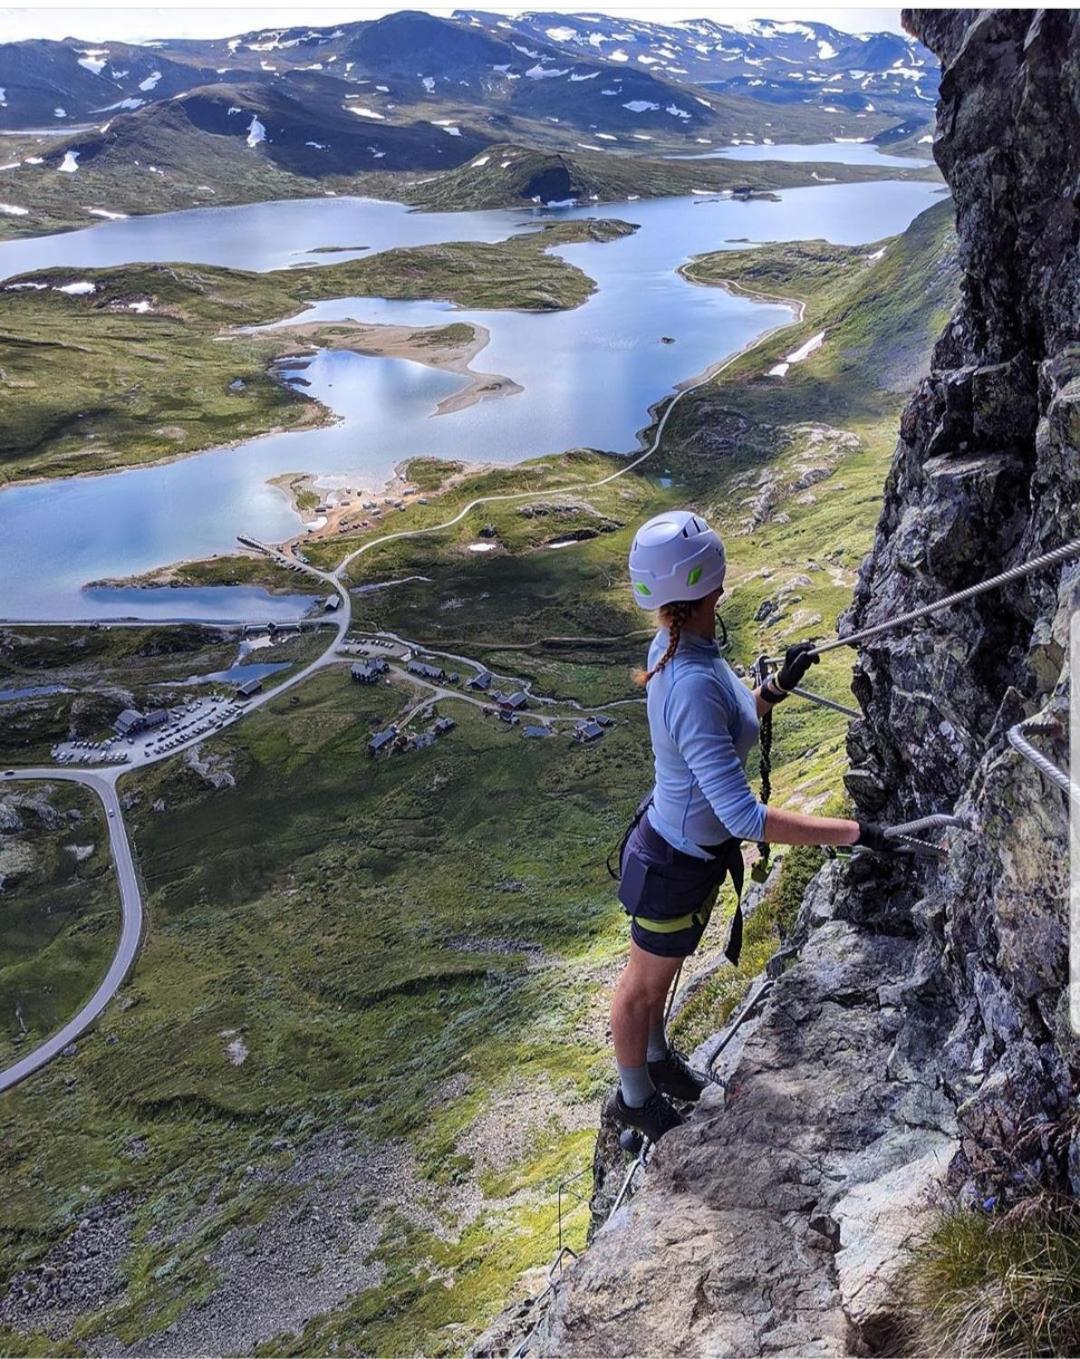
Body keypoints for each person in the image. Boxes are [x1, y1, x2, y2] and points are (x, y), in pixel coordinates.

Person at [612, 510, 895, 1141]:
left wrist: (769, 694)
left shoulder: (682, 647)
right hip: (675, 860)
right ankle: (634, 1099)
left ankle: (655, 1061)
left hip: (683, 854)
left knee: (666, 965)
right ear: (711, 578)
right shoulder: (688, 678)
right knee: (642, 983)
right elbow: (742, 815)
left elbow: (719, 726)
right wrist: (851, 834)